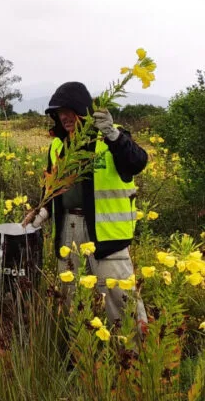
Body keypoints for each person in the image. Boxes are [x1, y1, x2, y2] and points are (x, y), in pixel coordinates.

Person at [22, 82, 148, 329]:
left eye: (69, 110)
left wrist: (113, 135)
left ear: (84, 110)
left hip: (106, 235)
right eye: (59, 112)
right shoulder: (58, 145)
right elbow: (52, 189)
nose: (64, 117)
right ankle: (83, 355)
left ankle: (134, 358)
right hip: (68, 230)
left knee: (121, 300)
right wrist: (42, 211)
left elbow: (137, 162)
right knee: (72, 301)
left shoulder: (111, 136)